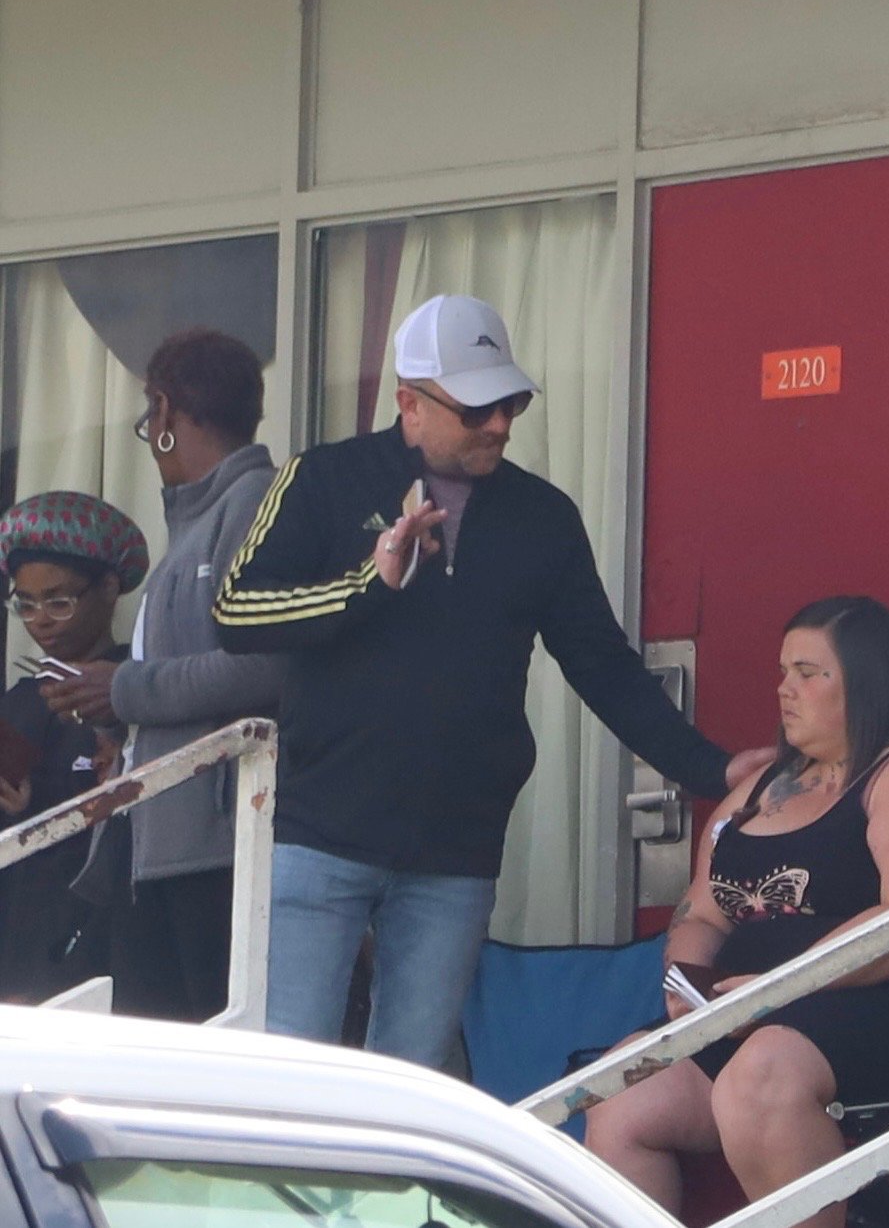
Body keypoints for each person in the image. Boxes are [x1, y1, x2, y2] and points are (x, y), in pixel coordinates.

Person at [213, 293, 772, 1068]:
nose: (500, 425)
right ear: (410, 403)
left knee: (412, 1078)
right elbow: (235, 611)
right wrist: (367, 584)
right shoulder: (323, 478)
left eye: (511, 402)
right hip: (321, 829)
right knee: (290, 1066)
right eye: (477, 408)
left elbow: (600, 661)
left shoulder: (541, 515)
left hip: (456, 845)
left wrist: (708, 768)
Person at [585, 596, 889, 1228]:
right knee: (620, 1088)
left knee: (759, 1077)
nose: (783, 689)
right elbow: (703, 912)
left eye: (807, 672)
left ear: (866, 682)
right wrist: (687, 988)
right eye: (783, 671)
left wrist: (780, 989)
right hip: (762, 1015)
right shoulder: (762, 787)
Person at [50, 328, 284, 1022]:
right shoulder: (196, 518)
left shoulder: (253, 503)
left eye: (148, 419)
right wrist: (114, 714)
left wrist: (122, 687)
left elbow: (264, 666)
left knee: (209, 1059)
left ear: (165, 413)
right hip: (155, 837)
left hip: (215, 849)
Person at [0, 491, 148, 1003]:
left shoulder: (134, 685)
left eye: (58, 601)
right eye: (25, 604)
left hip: (98, 943)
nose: (39, 620)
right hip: (16, 935)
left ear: (109, 587)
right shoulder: (17, 700)